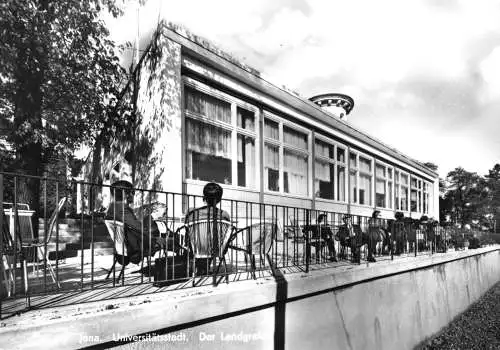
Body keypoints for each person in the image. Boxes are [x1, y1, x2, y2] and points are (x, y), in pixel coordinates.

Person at [106, 180, 165, 264]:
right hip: (134, 249)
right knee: (172, 241)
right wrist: (154, 239)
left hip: (122, 249)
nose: (133, 195)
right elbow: (138, 227)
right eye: (132, 192)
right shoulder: (122, 209)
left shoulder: (113, 208)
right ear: (126, 194)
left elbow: (133, 226)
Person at [184, 182, 230, 275]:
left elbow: (187, 231)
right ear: (219, 199)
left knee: (190, 238)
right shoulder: (224, 214)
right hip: (216, 248)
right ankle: (203, 268)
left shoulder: (191, 212)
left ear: (204, 197)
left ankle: (194, 267)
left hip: (196, 247)